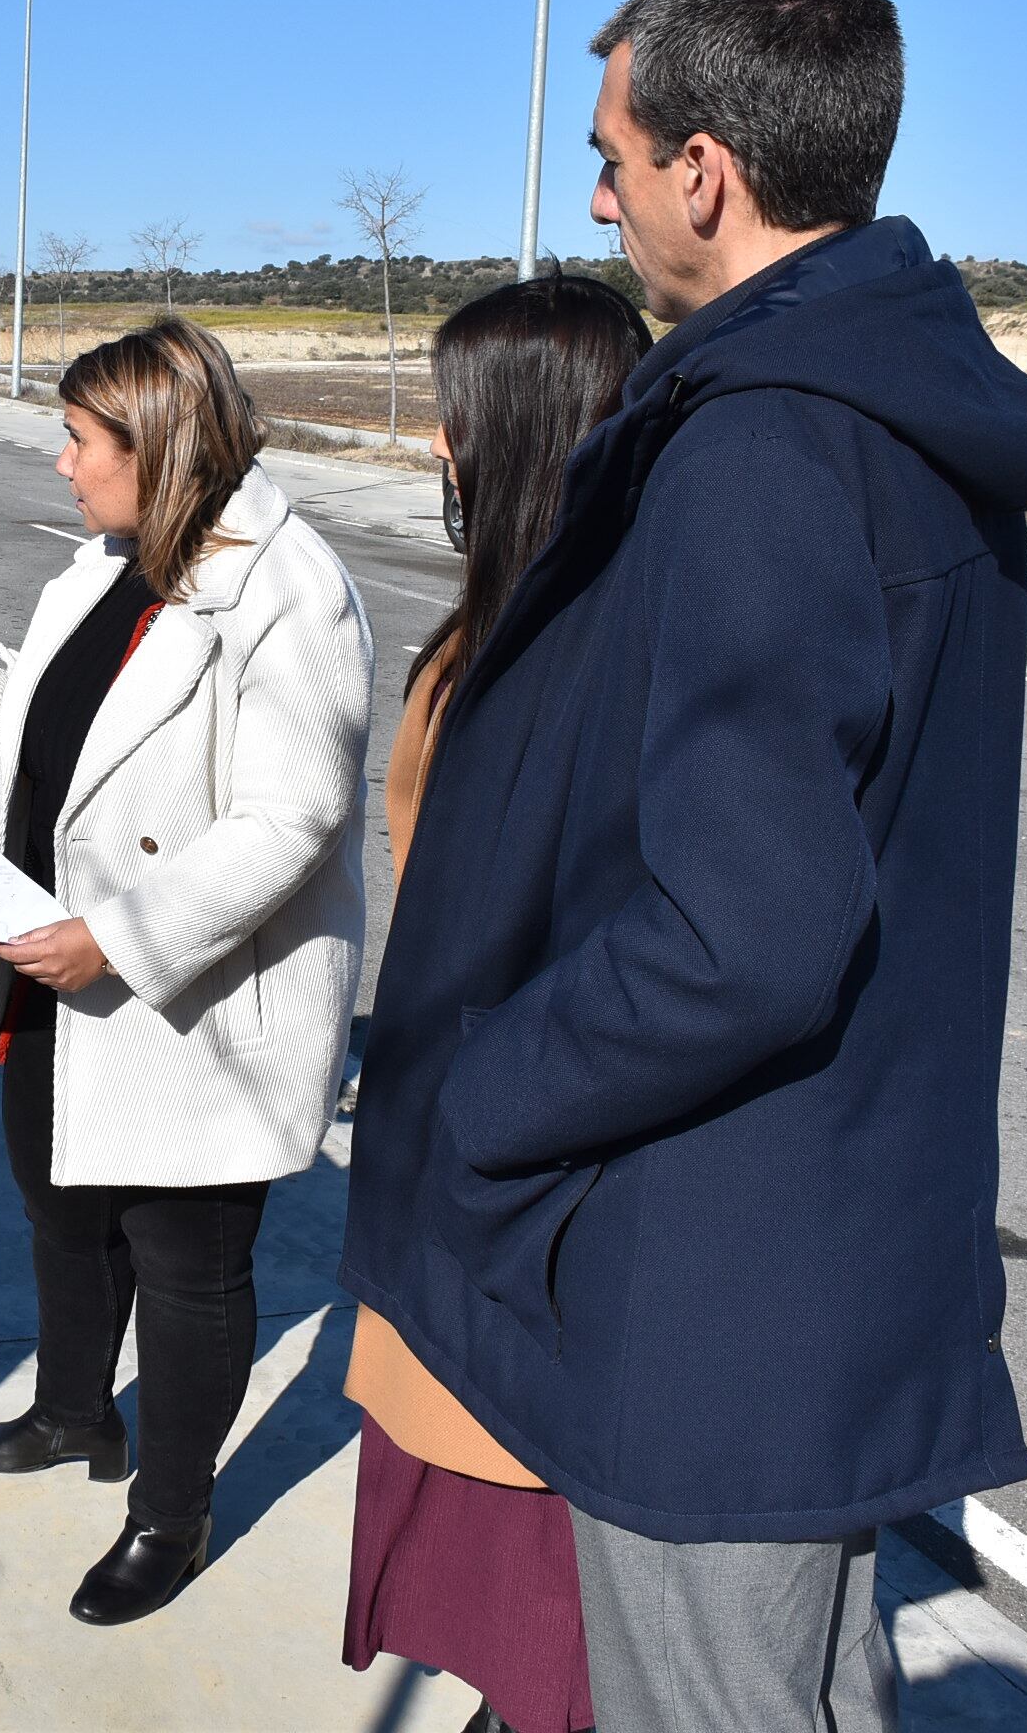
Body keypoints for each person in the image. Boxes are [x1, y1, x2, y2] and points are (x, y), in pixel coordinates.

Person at [340, 0, 1027, 1733]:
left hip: (716, 1283)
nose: (596, 202)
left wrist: (485, 1091)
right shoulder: (901, 406)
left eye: (609, 157)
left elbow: (745, 931)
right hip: (827, 1233)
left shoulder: (763, 445)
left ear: (706, 171)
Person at [0, 315, 373, 1625]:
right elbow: (64, 731)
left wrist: (122, 936)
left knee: (186, 1263)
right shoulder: (113, 560)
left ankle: (172, 1512)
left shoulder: (290, 588)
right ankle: (70, 1412)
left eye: (80, 439)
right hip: (59, 964)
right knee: (59, 1203)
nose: (61, 464)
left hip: (189, 996)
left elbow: (295, 818)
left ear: (156, 451)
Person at [340, 274, 647, 1733]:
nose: (439, 452)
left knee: (544, 1597)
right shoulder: (488, 640)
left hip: (521, 1208)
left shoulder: (584, 659)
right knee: (504, 1603)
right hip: (458, 1176)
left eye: (458, 424)